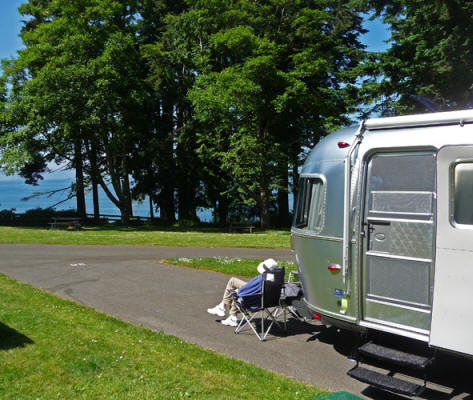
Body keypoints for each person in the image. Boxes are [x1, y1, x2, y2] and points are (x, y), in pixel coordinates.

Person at [207, 258, 279, 327]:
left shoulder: (262, 278)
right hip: (265, 299)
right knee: (233, 282)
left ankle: (226, 311)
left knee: (234, 289)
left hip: (254, 300)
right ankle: (223, 307)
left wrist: (236, 291)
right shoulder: (274, 278)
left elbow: (246, 289)